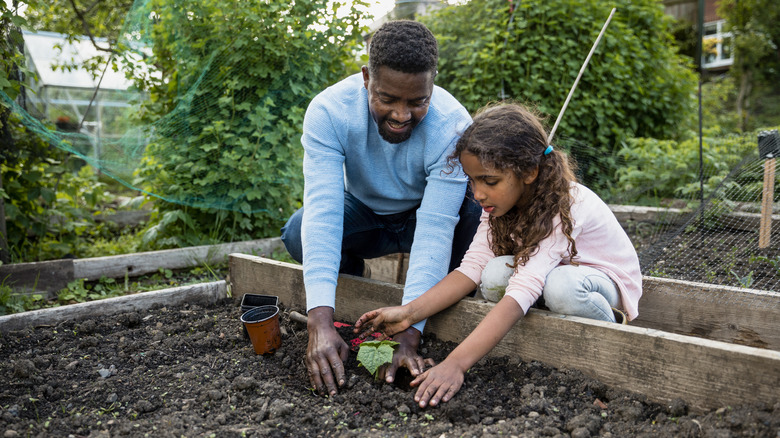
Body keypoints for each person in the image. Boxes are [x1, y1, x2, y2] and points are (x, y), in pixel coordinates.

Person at [354, 102, 642, 408]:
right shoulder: (497, 208)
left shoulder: (563, 204)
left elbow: (525, 287)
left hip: (602, 284)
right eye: (473, 180)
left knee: (561, 287)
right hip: (551, 276)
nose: (478, 194)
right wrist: (408, 313)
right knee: (493, 273)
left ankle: (613, 327)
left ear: (529, 172)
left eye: (489, 181)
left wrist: (456, 363)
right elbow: (471, 268)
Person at [280, 20, 481, 397]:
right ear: (366, 78)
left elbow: (436, 230)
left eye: (417, 101)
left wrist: (408, 336)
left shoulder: (452, 126)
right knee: (298, 231)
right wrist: (318, 322)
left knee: (474, 210)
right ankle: (350, 289)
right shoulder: (329, 111)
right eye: (387, 98)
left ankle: (449, 305)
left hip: (424, 215)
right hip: (366, 213)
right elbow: (324, 210)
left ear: (431, 87)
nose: (402, 115)